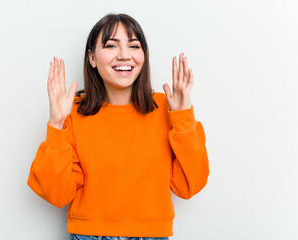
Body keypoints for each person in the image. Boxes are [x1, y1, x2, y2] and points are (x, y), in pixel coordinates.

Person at [27, 13, 209, 240]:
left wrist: (183, 117)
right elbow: (56, 193)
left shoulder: (167, 107)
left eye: (134, 46)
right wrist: (56, 123)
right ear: (92, 58)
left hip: (152, 235)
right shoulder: (73, 110)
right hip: (88, 236)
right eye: (111, 45)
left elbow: (189, 186)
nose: (124, 55)